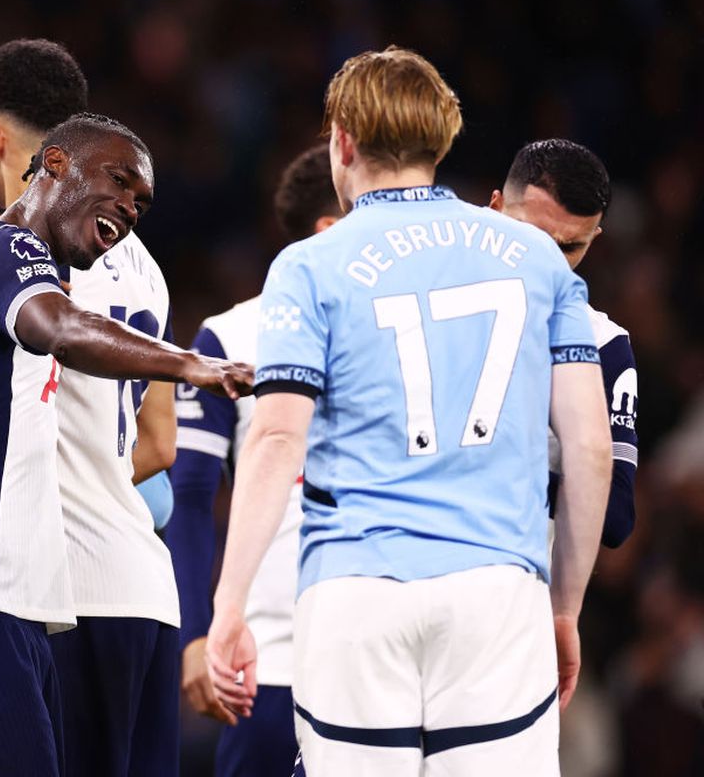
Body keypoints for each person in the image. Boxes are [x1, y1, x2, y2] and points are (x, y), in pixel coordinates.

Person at [205, 47, 613, 776]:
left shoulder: (309, 265)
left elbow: (275, 439)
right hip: (497, 593)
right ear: (440, 141)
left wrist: (229, 604)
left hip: (356, 595)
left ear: (342, 141)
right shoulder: (537, 258)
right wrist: (564, 607)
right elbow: (589, 449)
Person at [0, 112, 252, 776]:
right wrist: (190, 365)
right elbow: (55, 327)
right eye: (119, 182)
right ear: (54, 163)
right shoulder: (8, 251)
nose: (129, 207)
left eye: (141, 202)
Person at [0, 38, 180, 776]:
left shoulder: (19, 251)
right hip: (143, 588)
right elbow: (159, 443)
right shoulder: (142, 261)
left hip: (62, 593)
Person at [167, 143, 340, 776]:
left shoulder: (415, 323)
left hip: (390, 647)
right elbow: (189, 497)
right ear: (330, 229)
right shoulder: (233, 336)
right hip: (270, 657)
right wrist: (194, 635)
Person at [489, 139, 638, 548]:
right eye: (533, 238)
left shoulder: (602, 344)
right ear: (495, 209)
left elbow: (615, 516)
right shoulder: (428, 301)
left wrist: (484, 461)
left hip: (516, 580)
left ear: (594, 238)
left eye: (570, 247)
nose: (549, 263)